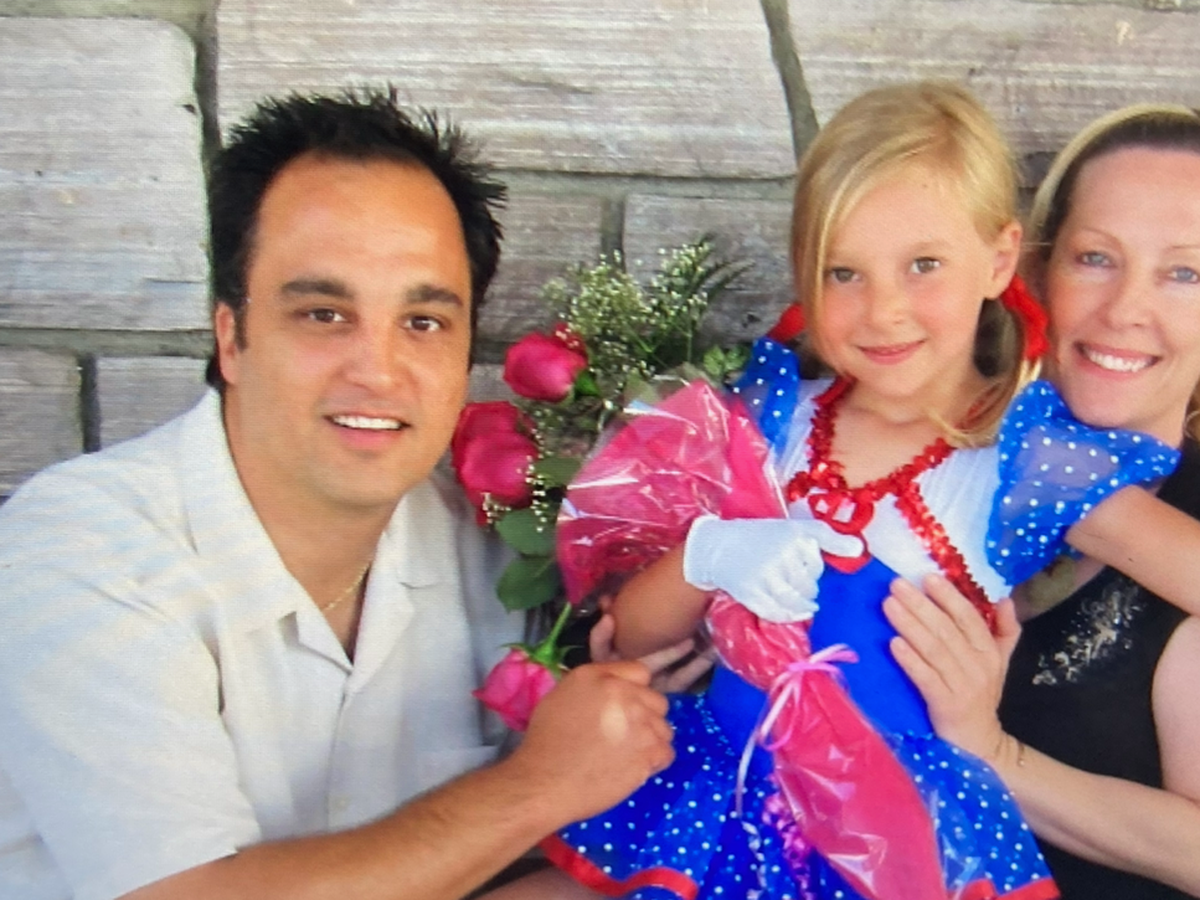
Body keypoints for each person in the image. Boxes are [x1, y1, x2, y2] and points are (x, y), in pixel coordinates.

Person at [0, 88, 676, 900]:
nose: (378, 372)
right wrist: (539, 785)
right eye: (324, 314)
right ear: (231, 337)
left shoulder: (493, 551)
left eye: (423, 322)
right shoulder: (77, 551)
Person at [535, 80, 1122, 900]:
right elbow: (633, 638)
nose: (883, 311)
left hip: (888, 840)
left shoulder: (1020, 461)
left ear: (998, 260)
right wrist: (710, 555)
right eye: (844, 272)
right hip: (720, 799)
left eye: (923, 265)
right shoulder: (770, 421)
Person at [884, 103, 1200, 899]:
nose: (1125, 309)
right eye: (1095, 258)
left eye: (1185, 273)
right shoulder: (928, 447)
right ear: (1032, 271)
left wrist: (991, 752)